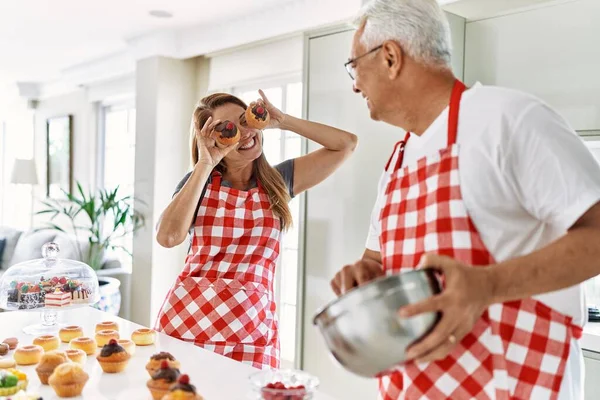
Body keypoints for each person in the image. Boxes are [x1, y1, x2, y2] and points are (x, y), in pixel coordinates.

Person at [330, 0, 600, 398]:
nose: (354, 84)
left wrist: (487, 285)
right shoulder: (399, 160)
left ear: (390, 57)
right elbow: (378, 260)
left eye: (354, 65)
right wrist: (366, 276)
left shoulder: (508, 119)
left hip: (516, 383)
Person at [155, 90, 357, 369]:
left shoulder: (280, 180)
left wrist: (282, 121)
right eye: (228, 128)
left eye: (245, 120)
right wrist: (204, 163)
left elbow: (346, 144)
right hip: (188, 324)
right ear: (211, 138)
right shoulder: (198, 181)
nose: (244, 133)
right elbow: (168, 237)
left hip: (251, 328)